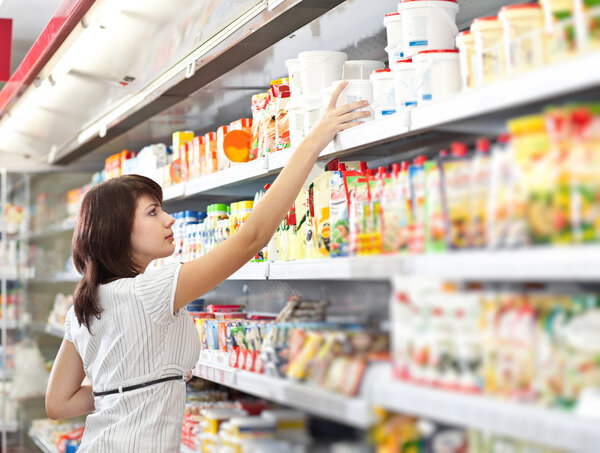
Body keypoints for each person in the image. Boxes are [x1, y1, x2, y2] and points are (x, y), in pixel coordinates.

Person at [44, 81, 370, 452]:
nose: (169, 220)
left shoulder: (84, 304)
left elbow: (59, 404)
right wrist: (314, 140)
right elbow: (253, 237)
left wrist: (137, 383)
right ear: (117, 232)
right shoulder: (151, 290)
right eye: (153, 212)